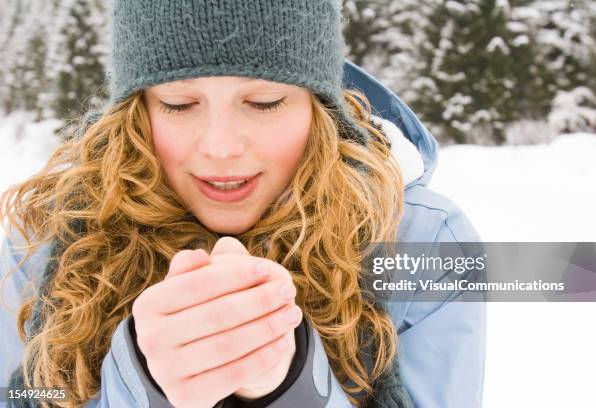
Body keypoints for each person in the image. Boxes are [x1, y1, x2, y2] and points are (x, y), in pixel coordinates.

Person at [0, 1, 485, 407]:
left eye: (265, 102)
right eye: (178, 104)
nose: (220, 146)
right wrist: (140, 383)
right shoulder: (39, 245)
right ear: (136, 109)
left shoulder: (430, 242)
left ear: (321, 108)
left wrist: (290, 384)